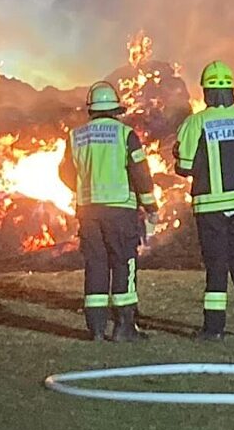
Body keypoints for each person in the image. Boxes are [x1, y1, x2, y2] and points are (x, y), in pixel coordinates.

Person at [173, 60, 234, 340]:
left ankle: (214, 328)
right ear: (231, 90)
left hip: (210, 207)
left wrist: (178, 157)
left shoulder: (196, 123)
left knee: (216, 266)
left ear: (206, 92)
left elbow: (185, 166)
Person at [59, 81, 159, 342]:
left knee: (96, 265)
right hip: (120, 210)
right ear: (116, 109)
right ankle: (125, 327)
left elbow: (65, 173)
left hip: (89, 210)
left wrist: (85, 188)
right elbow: (140, 173)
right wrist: (150, 206)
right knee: (123, 262)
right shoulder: (125, 135)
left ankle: (96, 329)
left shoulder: (76, 136)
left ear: (91, 109)